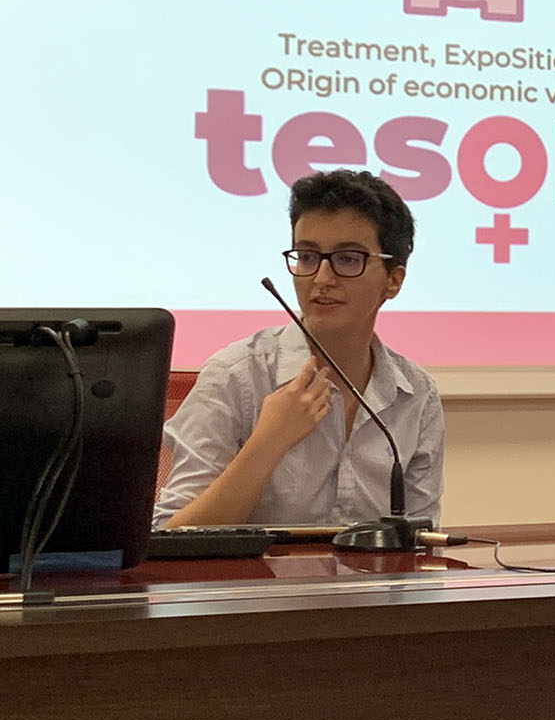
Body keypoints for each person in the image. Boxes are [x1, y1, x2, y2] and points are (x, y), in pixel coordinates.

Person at [154, 170, 444, 527]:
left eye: (348, 259)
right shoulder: (236, 376)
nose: (321, 279)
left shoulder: (416, 395)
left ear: (393, 280)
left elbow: (422, 537)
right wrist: (268, 442)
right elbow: (171, 534)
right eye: (307, 257)